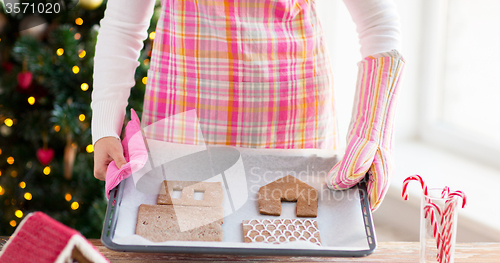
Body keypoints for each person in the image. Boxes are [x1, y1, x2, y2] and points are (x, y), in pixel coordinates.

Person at [92, 0, 404, 211]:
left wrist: (372, 129)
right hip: (187, 128)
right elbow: (123, 26)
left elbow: (378, 23)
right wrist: (105, 125)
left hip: (294, 129)